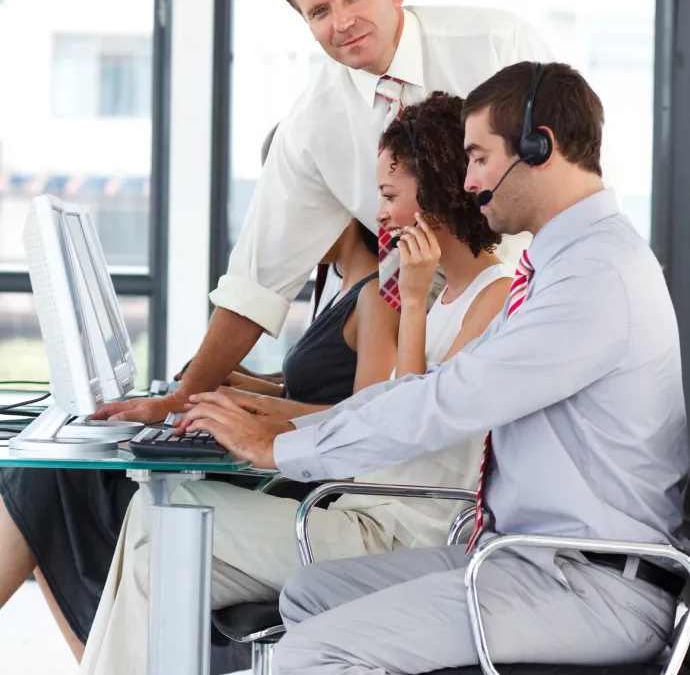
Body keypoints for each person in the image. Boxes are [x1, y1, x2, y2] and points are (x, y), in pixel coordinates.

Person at [176, 61, 689, 673]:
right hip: (527, 560)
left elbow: (454, 400)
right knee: (311, 594)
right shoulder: (562, 265)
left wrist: (277, 450)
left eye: (479, 157)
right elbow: (439, 385)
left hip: (589, 586)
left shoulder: (594, 276)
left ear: (539, 147)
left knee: (315, 652)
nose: (469, 182)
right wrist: (289, 432)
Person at [78, 92, 511, 675]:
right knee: (155, 550)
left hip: (398, 535)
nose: (379, 213)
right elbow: (374, 408)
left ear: (435, 191)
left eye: (389, 195)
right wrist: (260, 415)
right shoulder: (446, 296)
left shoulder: (492, 297)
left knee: (166, 514)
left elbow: (406, 422)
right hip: (360, 510)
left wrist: (411, 302)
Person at [95, 0, 552, 428]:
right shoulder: (312, 124)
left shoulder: (496, 45)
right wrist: (180, 400)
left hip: (532, 303)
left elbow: (570, 175)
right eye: (319, 11)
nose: (342, 22)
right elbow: (256, 280)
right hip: (428, 332)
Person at [0, 215, 396, 666]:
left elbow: (360, 415)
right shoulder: (340, 286)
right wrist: (246, 388)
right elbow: (325, 389)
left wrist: (246, 405)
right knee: (50, 480)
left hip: (298, 479)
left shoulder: (376, 295)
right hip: (287, 463)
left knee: (47, 480)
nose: (285, 224)